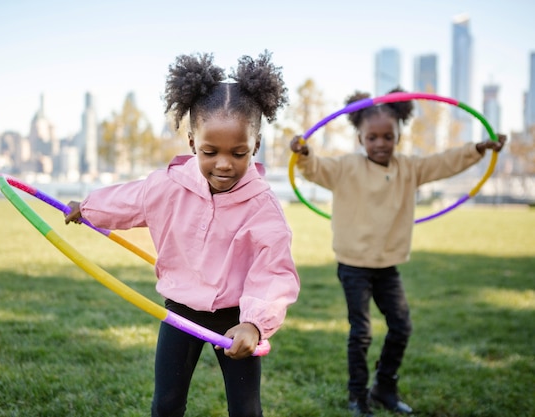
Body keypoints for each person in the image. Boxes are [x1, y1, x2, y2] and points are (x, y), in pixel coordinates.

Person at [65, 50, 300, 417]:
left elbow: (273, 273)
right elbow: (130, 200)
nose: (224, 164)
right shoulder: (168, 186)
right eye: (210, 151)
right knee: (167, 403)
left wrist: (254, 325)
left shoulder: (263, 208)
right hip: (180, 311)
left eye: (238, 153)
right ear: (192, 142)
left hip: (237, 316)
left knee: (246, 409)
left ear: (255, 146)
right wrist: (89, 208)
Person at [289, 87, 506, 417]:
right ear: (360, 138)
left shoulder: (410, 168)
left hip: (388, 265)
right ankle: (357, 396)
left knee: (402, 327)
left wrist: (478, 149)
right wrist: (303, 154)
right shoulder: (347, 167)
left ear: (398, 136)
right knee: (361, 333)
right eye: (372, 137)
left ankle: (384, 388)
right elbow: (316, 169)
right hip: (354, 265)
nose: (380, 143)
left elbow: (444, 163)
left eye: (387, 136)